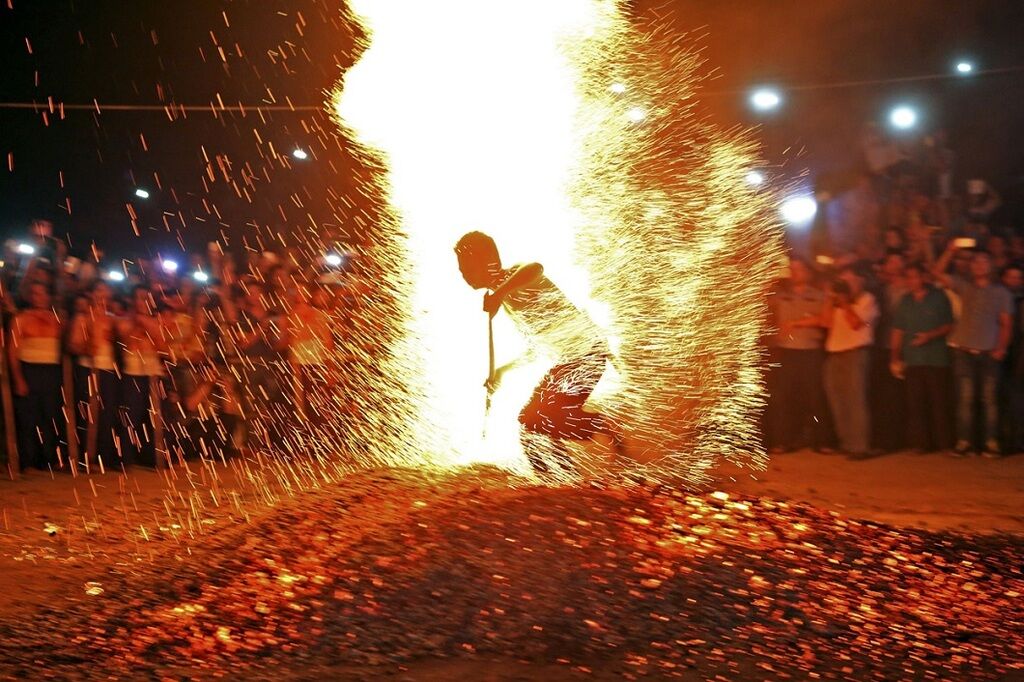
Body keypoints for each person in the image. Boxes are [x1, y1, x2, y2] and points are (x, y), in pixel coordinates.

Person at [454, 231, 624, 478]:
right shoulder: (509, 294)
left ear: (485, 263)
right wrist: (503, 370)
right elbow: (539, 346)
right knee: (531, 422)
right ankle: (559, 478)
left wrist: (500, 294)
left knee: (537, 418)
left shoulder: (515, 276)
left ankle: (605, 431)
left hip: (587, 355)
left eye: (466, 267)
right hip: (574, 359)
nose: (463, 274)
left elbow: (535, 268)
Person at [933, 244, 1012, 456]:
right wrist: (949, 250)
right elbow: (937, 273)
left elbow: (1006, 323)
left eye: (984, 261)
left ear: (991, 265)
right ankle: (964, 442)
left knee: (989, 400)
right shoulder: (964, 286)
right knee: (965, 400)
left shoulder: (1001, 293)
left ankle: (991, 442)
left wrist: (1001, 348)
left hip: (988, 353)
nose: (979, 265)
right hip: (963, 351)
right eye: (975, 261)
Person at [890, 264, 954, 452]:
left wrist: (929, 335)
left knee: (939, 403)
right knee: (916, 404)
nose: (911, 281)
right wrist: (894, 356)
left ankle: (945, 444)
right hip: (913, 359)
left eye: (914, 277)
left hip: (936, 358)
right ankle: (921, 444)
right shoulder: (905, 301)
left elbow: (949, 325)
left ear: (923, 277)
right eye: (908, 278)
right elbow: (897, 330)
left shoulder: (939, 297)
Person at [767, 257, 828, 452]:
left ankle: (821, 441)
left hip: (810, 352)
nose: (795, 273)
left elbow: (824, 319)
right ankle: (785, 441)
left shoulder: (819, 296)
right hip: (786, 351)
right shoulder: (780, 296)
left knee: (815, 397)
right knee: (785, 398)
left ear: (808, 273)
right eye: (792, 269)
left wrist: (796, 323)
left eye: (799, 269)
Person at [821, 266, 879, 456]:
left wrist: (845, 302)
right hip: (834, 354)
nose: (846, 285)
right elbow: (826, 323)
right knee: (838, 401)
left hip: (855, 354)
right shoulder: (837, 301)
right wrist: (831, 299)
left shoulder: (867, 300)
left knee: (855, 401)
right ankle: (846, 443)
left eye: (850, 281)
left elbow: (855, 324)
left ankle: (860, 446)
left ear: (860, 280)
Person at [7, 281, 64, 470]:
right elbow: (12, 352)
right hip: (29, 370)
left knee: (50, 416)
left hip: (51, 372)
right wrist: (18, 379)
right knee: (27, 418)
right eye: (34, 293)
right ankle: (27, 461)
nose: (38, 297)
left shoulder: (57, 318)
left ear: (48, 296)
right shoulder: (21, 319)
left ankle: (48, 460)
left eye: (41, 293)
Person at [67, 280, 121, 468]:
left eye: (105, 291)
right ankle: (85, 456)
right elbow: (73, 345)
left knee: (105, 414)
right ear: (91, 294)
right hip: (88, 369)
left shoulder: (112, 318)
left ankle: (102, 457)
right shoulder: (82, 318)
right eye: (98, 290)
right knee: (88, 414)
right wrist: (86, 346)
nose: (102, 295)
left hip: (107, 370)